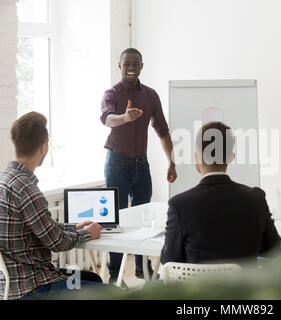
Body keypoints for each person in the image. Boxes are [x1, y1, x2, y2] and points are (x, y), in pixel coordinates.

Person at [0, 112, 106, 300]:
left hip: (9, 286)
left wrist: (74, 227)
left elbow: (43, 228)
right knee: (112, 294)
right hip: (34, 288)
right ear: (43, 147)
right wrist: (89, 232)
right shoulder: (26, 190)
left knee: (93, 279)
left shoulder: (5, 181)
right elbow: (58, 243)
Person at [100, 48, 177, 285]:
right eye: (126, 63)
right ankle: (115, 274)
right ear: (119, 66)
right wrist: (124, 117)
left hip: (141, 165)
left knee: (146, 219)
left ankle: (144, 270)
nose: (130, 67)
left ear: (142, 66)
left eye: (135, 63)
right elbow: (107, 119)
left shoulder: (151, 96)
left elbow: (162, 130)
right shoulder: (111, 93)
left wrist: (171, 162)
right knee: (117, 220)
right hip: (117, 164)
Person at [160, 122, 281, 265]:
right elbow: (275, 249)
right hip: (245, 287)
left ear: (196, 157)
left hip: (197, 287)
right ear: (231, 157)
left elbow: (168, 259)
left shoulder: (179, 205)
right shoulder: (256, 198)